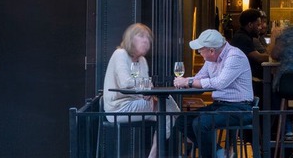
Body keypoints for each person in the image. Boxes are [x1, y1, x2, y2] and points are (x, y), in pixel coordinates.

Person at [174, 28, 255, 158]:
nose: (199, 52)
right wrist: (185, 81)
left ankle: (214, 155)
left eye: (200, 50)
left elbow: (220, 83)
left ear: (211, 51)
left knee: (201, 123)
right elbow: (200, 77)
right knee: (182, 121)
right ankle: (219, 153)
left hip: (240, 107)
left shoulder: (235, 56)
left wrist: (188, 82)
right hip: (220, 105)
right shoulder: (210, 60)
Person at [102, 23, 164, 158]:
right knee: (167, 108)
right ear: (130, 39)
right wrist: (146, 87)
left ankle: (153, 154)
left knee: (168, 115)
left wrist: (147, 94)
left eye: (148, 38)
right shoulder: (120, 54)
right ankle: (188, 137)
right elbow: (125, 83)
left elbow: (144, 88)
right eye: (141, 36)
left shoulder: (142, 60)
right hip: (118, 108)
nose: (146, 41)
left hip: (137, 104)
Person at [230, 9, 270, 80]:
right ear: (250, 25)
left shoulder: (245, 36)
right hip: (243, 78)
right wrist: (277, 57)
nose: (260, 27)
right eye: (258, 25)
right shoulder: (242, 38)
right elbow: (259, 58)